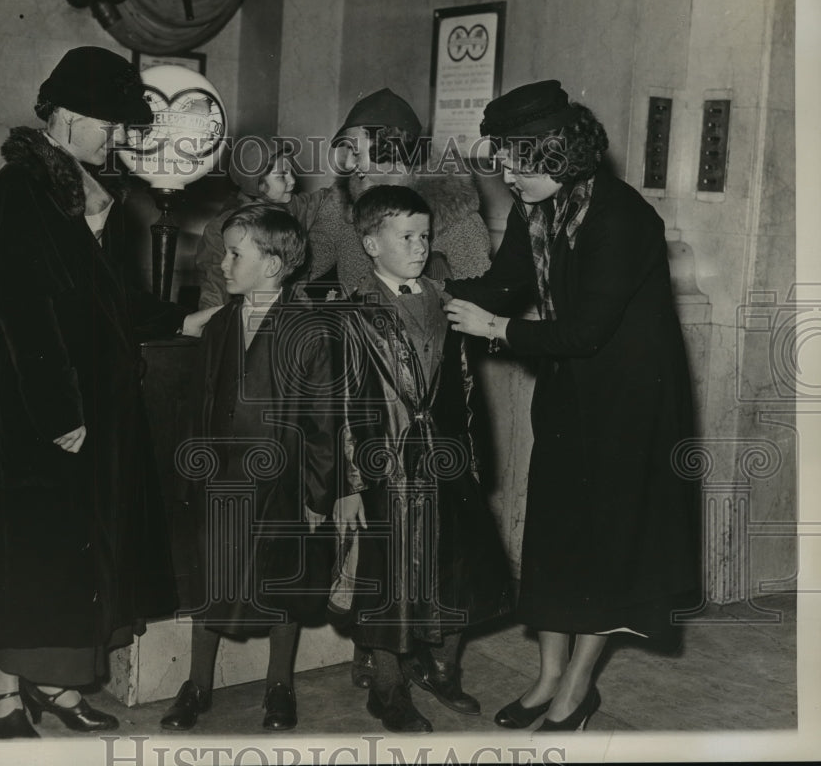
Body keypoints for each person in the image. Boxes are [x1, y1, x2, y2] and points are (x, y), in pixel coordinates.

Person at [0, 46, 219, 739]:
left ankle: (54, 684)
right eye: (109, 124)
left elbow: (104, 300)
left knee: (79, 555)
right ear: (69, 117)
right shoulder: (20, 194)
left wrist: (177, 318)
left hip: (87, 406)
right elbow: (26, 313)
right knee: (37, 557)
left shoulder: (72, 189)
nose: (118, 137)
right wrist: (58, 413)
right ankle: (1, 689)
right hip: (42, 411)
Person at [445, 80, 701, 731]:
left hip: (629, 406)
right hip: (570, 393)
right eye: (502, 158)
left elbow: (586, 330)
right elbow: (505, 283)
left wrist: (496, 330)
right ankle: (547, 678)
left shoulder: (623, 218)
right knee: (556, 537)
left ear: (558, 155)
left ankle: (578, 688)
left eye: (517, 161)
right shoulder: (537, 207)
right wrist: (423, 290)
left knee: (603, 546)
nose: (506, 174)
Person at [333, 185, 512, 734]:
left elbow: (462, 385)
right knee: (388, 580)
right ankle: (387, 690)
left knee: (458, 567)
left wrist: (475, 462)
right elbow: (341, 403)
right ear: (369, 243)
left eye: (425, 235)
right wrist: (349, 483)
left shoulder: (444, 298)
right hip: (385, 466)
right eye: (405, 236)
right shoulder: (352, 312)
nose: (419, 245)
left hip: (447, 462)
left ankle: (440, 668)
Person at [160, 204, 338, 732]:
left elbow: (323, 421)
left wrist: (317, 496)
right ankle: (196, 685)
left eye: (237, 253)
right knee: (209, 579)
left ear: (275, 264)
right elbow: (202, 403)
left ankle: (279, 685)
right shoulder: (219, 324)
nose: (223, 264)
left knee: (281, 581)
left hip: (281, 483)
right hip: (220, 476)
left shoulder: (308, 329)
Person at [288, 88, 493, 296]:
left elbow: (480, 293)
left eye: (356, 152)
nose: (349, 163)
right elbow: (304, 267)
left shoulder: (453, 213)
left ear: (390, 148)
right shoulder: (341, 203)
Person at [195, 137, 296, 309]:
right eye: (282, 176)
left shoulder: (290, 215)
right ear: (257, 184)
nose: (292, 181)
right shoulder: (222, 228)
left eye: (292, 173)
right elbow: (215, 289)